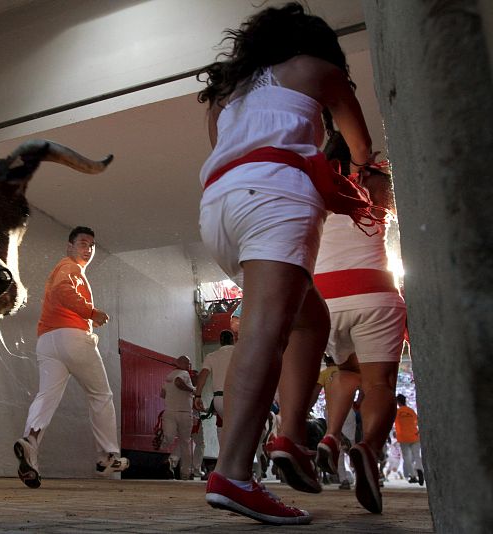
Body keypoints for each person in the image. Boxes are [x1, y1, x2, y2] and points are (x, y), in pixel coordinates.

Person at [197, 2, 375, 524]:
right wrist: (355, 177)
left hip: (219, 209)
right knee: (265, 334)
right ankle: (232, 475)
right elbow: (360, 146)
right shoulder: (318, 71)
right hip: (276, 199)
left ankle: (290, 438)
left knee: (309, 318)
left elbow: (236, 150)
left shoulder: (226, 96)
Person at [312, 132, 406, 514]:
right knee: (378, 383)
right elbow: (402, 212)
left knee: (343, 371)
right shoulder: (376, 182)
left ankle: (332, 436)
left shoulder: (310, 182)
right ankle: (368, 447)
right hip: (374, 288)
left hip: (325, 297)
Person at [13, 226, 128, 488]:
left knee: (46, 397)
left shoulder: (62, 269)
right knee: (101, 395)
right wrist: (91, 312)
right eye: (83, 243)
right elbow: (63, 291)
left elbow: (58, 294)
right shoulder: (69, 268)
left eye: (92, 245)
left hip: (47, 342)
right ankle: (108, 456)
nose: (88, 249)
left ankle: (30, 443)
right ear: (69, 246)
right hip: (72, 338)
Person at [160, 355, 195, 479]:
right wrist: (192, 390)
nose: (189, 366)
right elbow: (179, 382)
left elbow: (162, 394)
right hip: (184, 412)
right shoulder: (184, 373)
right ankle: (185, 473)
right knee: (185, 442)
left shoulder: (169, 375)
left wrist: (173, 398)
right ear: (184, 364)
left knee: (169, 437)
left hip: (169, 411)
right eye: (189, 364)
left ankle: (172, 460)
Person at [194, 330, 236, 420]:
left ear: (220, 342)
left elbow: (202, 376)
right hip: (238, 398)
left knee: (228, 428)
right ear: (233, 340)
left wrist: (198, 396)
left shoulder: (211, 356)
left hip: (219, 400)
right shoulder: (241, 354)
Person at [394, 394, 424, 485]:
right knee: (416, 456)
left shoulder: (397, 412)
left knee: (407, 458)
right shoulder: (411, 411)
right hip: (414, 436)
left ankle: (413, 476)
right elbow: (417, 421)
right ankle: (419, 470)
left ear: (398, 402)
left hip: (403, 438)